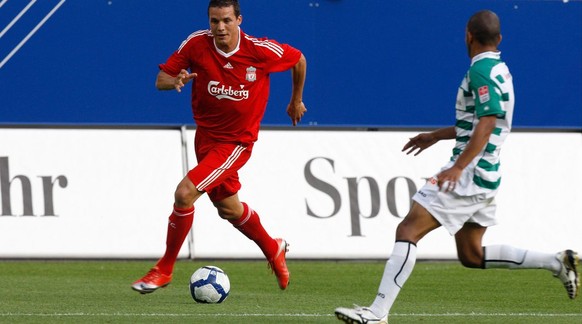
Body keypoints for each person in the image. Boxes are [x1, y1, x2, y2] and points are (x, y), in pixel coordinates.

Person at [335, 10, 578, 323]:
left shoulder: (480, 71)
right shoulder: (501, 69)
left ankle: (377, 313)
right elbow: (481, 121)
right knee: (472, 255)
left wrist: (459, 167)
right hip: (487, 172)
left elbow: (488, 123)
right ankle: (557, 263)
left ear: (468, 36)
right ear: (500, 39)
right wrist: (436, 136)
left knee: (408, 228)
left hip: (471, 173)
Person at [132, 0, 307, 294]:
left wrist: (295, 101)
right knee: (229, 208)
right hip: (206, 139)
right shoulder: (196, 44)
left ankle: (164, 268)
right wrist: (175, 80)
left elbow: (299, 59)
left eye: (226, 20)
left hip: (236, 143)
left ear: (239, 20)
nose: (220, 27)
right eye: (215, 21)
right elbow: (160, 79)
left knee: (184, 193)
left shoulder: (260, 51)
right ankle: (273, 247)